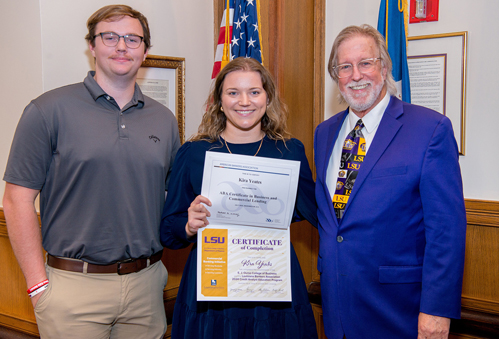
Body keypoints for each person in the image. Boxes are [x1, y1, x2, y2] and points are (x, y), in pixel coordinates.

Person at [2, 5, 180, 338]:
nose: (122, 46)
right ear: (92, 46)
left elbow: (172, 197)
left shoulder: (164, 120)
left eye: (132, 38)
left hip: (146, 286)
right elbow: (16, 200)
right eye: (110, 37)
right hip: (73, 289)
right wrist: (37, 284)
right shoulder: (47, 110)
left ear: (145, 50)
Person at [314, 24, 466, 339]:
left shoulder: (430, 129)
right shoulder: (324, 133)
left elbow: (446, 232)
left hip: (399, 313)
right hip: (337, 307)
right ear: (336, 76)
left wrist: (437, 311)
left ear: (384, 68)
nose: (355, 75)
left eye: (365, 63)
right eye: (345, 67)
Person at [160, 57, 318, 339]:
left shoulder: (290, 151)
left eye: (254, 92)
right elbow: (168, 231)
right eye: (233, 93)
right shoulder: (195, 153)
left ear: (267, 97)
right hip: (213, 287)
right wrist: (187, 225)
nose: (244, 101)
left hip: (273, 285)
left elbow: (319, 213)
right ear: (219, 100)